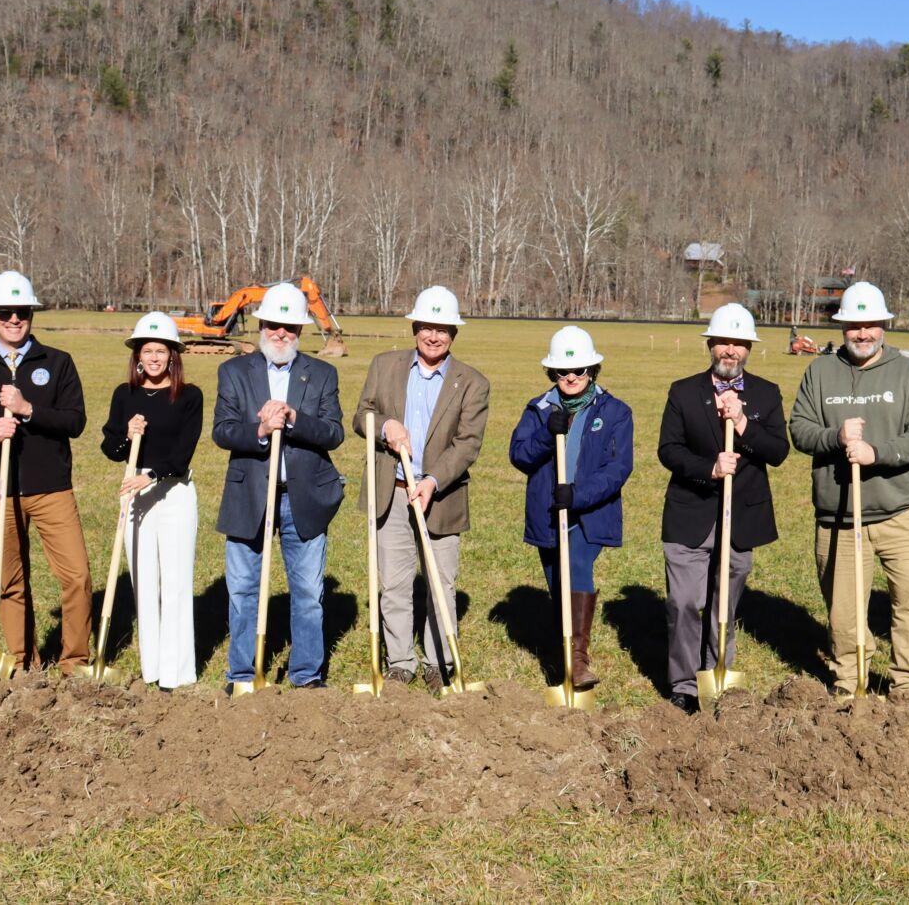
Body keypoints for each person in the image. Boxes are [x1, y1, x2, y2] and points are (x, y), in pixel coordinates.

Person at [788, 281, 909, 699]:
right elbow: (799, 430)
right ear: (843, 328)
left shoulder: (907, 373)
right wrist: (835, 437)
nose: (863, 333)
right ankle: (849, 684)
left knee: (908, 605)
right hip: (839, 517)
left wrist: (878, 453)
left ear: (884, 325)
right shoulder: (819, 372)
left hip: (899, 514)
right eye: (854, 325)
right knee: (844, 614)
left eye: (871, 325)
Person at [0, 271, 92, 676]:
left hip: (51, 489)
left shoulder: (57, 363)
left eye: (22, 311)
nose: (14, 319)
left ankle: (75, 662)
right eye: (5, 312)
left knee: (77, 576)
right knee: (10, 581)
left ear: (31, 314)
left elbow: (75, 421)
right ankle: (22, 661)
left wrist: (29, 410)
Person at [352, 286, 491, 691]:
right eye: (427, 327)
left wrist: (432, 480)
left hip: (439, 495)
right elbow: (361, 416)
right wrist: (383, 427)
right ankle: (400, 662)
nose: (434, 336)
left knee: (440, 582)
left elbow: (468, 443)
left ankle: (438, 662)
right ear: (415, 327)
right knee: (393, 582)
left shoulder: (473, 384)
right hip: (390, 490)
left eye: (443, 329)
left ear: (454, 334)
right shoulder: (384, 366)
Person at [656, 304, 789, 713]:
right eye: (723, 343)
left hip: (741, 517)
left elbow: (778, 451)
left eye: (738, 344)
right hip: (689, 512)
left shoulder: (766, 394)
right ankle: (683, 683)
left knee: (723, 605)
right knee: (683, 603)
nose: (730, 350)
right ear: (710, 345)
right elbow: (669, 450)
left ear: (749, 348)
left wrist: (744, 424)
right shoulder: (683, 391)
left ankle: (717, 674)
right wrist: (709, 468)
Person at [212, 283, 345, 689]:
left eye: (289, 326)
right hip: (249, 495)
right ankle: (242, 674)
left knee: (307, 592)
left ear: (301, 330)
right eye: (273, 325)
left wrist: (292, 420)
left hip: (302, 497)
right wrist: (261, 429)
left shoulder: (322, 374)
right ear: (261, 325)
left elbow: (334, 433)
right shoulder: (234, 371)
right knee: (243, 590)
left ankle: (306, 675)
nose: (280, 333)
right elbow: (222, 431)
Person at [509, 326, 634, 693]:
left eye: (579, 371)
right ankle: (565, 651)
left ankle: (578, 662)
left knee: (577, 567)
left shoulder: (615, 412)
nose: (571, 378)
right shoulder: (539, 408)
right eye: (563, 372)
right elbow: (519, 455)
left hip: (588, 514)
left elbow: (618, 469)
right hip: (547, 515)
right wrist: (548, 433)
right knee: (557, 585)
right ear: (552, 373)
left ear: (592, 370)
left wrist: (576, 495)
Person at [98, 312, 204, 690]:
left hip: (174, 491)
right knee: (144, 580)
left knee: (175, 581)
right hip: (135, 492)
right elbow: (110, 448)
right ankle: (153, 668)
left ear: (173, 355)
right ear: (138, 356)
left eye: (162, 351)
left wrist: (152, 475)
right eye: (148, 351)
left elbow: (183, 452)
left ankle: (177, 672)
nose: (155, 358)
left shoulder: (189, 396)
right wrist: (127, 436)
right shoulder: (123, 395)